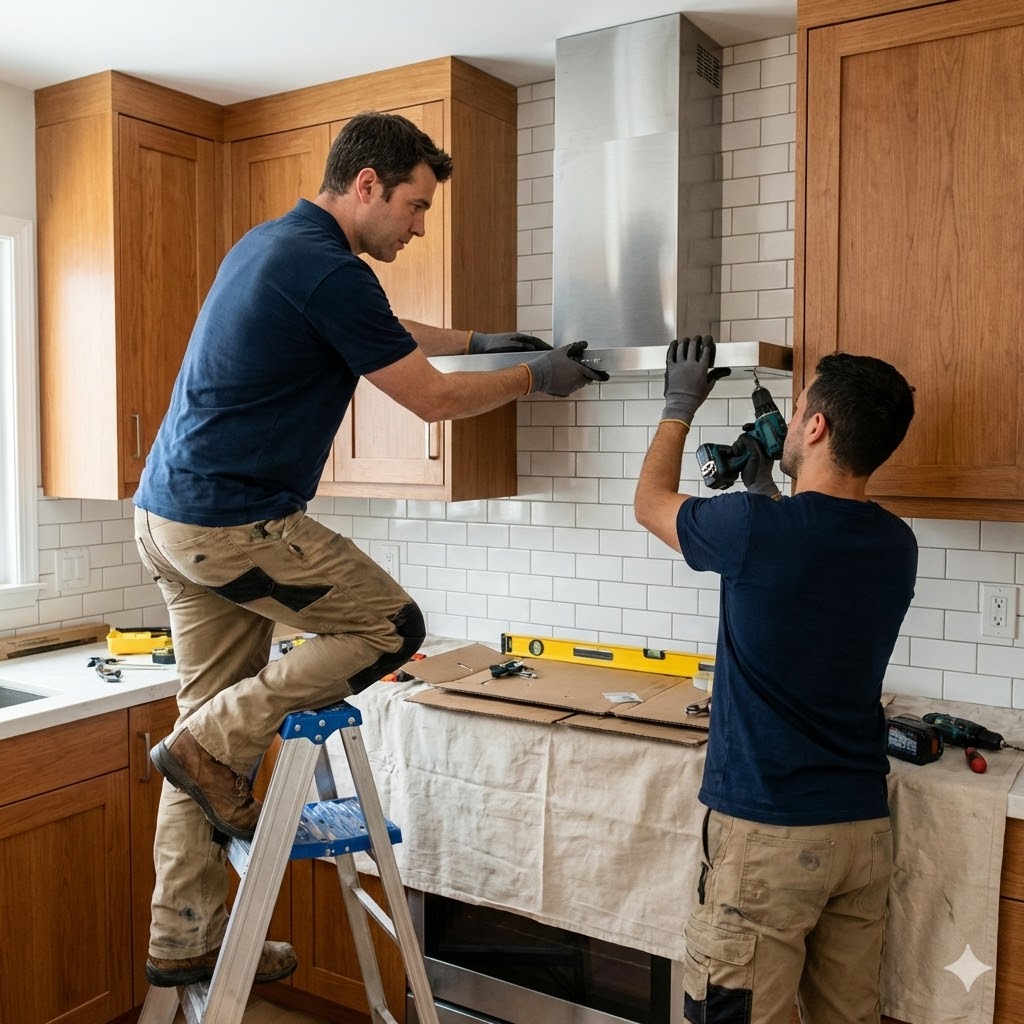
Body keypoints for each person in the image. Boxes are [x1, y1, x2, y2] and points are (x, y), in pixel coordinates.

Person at [133, 110, 607, 988]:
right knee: (393, 627)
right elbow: (431, 400)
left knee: (204, 731)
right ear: (366, 185)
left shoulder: (278, 246)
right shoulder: (326, 269)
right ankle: (212, 745)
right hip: (232, 524)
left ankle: (182, 932)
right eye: (416, 206)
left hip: (172, 520)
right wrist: (534, 377)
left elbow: (384, 328)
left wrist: (480, 343)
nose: (419, 225)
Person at [634, 337, 917, 1024]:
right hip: (860, 830)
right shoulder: (895, 543)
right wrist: (764, 489)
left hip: (769, 834)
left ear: (816, 426)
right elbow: (806, 562)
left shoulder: (754, 529)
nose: (787, 423)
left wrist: (678, 405)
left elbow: (649, 503)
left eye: (796, 412)